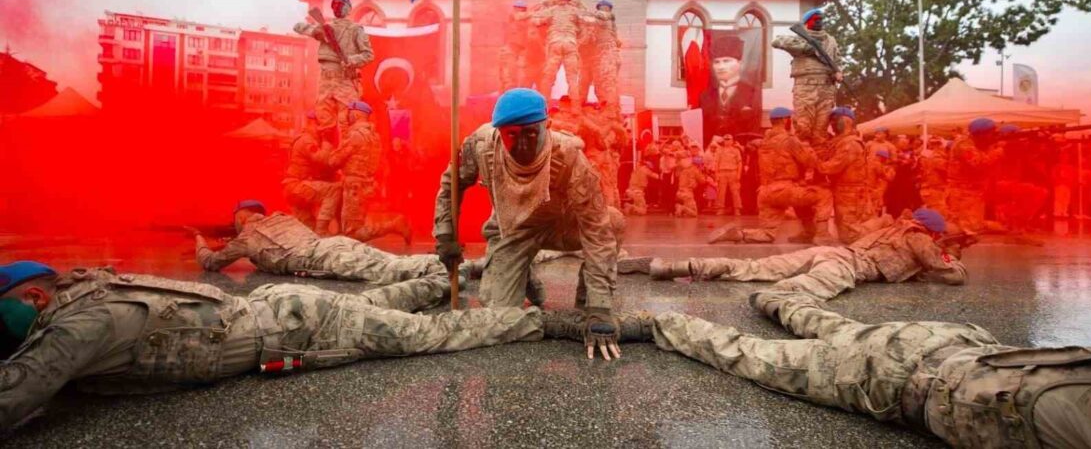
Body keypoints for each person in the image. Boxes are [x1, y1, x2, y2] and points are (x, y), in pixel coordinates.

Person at [0, 262, 654, 430]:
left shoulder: (75, 326)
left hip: (293, 325)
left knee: (429, 333)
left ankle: (549, 324)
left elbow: (17, 393)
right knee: (392, 303)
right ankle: (453, 273)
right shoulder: (90, 295)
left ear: (33, 298)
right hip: (281, 309)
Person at [651, 289, 1091, 449]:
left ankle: (776, 301)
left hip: (955, 341)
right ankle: (660, 322)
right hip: (892, 374)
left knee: (839, 328)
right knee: (751, 354)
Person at [432, 88, 625, 360]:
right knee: (498, 315)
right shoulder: (481, 145)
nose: (521, 144)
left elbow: (596, 230)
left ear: (546, 126)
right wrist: (445, 235)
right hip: (512, 232)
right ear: (500, 132)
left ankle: (584, 304)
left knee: (613, 221)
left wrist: (600, 308)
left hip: (560, 225)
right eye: (512, 135)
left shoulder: (569, 156)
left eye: (530, 134)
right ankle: (522, 271)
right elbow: (452, 184)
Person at [647, 208, 967, 300]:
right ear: (933, 231)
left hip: (832, 252)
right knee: (804, 292)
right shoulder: (920, 238)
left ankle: (680, 265)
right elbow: (951, 274)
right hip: (847, 265)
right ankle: (769, 304)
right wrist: (954, 256)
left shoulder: (894, 228)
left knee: (753, 266)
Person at [195, 201, 434, 290]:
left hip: (317, 257)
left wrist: (199, 238)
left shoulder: (247, 234)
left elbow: (210, 263)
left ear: (241, 217)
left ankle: (447, 272)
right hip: (334, 244)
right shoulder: (284, 217)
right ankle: (453, 265)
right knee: (394, 262)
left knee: (388, 272)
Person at [711, 107, 829, 244]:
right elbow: (809, 161)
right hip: (785, 189)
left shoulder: (764, 142)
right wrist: (815, 148)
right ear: (785, 120)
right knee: (824, 195)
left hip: (766, 192)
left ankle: (738, 234)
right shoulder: (789, 140)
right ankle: (822, 235)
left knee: (767, 234)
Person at [293, 0, 374, 136]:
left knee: (348, 122)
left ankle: (346, 153)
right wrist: (317, 31)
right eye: (335, 5)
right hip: (326, 80)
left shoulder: (356, 30)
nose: (338, 8)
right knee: (324, 121)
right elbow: (297, 27)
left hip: (345, 80)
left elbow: (368, 54)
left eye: (341, 4)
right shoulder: (325, 28)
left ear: (348, 8)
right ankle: (327, 152)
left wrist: (351, 59)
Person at [771, 8, 843, 146]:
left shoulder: (831, 41)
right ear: (807, 23)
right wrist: (807, 48)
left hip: (827, 87)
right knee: (803, 128)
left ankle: (816, 161)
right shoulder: (800, 38)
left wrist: (839, 72)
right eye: (816, 20)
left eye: (821, 19)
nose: (820, 22)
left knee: (821, 130)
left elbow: (837, 61)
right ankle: (803, 159)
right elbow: (776, 41)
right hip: (805, 88)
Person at [330, 101, 384, 237]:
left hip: (354, 185)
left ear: (356, 115)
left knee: (351, 231)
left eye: (350, 113)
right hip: (366, 183)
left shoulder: (355, 135)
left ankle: (393, 226)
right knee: (356, 225)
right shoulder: (373, 135)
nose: (348, 117)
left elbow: (335, 160)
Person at [817, 107, 869, 244]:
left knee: (850, 235)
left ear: (846, 121)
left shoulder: (850, 143)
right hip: (842, 190)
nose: (832, 125)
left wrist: (813, 162)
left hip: (850, 193)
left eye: (835, 120)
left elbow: (833, 167)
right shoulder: (839, 141)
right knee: (844, 232)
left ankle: (883, 225)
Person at [282, 111, 340, 234]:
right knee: (334, 190)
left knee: (308, 232)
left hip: (295, 189)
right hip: (297, 187)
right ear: (313, 123)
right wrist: (326, 141)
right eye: (321, 127)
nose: (322, 131)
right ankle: (322, 231)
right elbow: (323, 159)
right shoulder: (307, 140)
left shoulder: (303, 139)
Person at [699, 32, 760, 144]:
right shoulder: (705, 96)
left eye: (727, 61)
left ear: (740, 64)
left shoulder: (751, 93)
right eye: (717, 62)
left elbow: (753, 129)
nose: (721, 67)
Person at [946, 118, 1004, 232]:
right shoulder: (963, 144)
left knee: (973, 228)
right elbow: (979, 163)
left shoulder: (978, 144)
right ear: (981, 134)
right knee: (966, 228)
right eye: (991, 134)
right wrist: (998, 151)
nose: (993, 137)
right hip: (962, 194)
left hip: (972, 193)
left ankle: (999, 227)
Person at [536, 0, 582, 104]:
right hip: (570, 43)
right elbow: (586, 23)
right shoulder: (575, 11)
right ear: (568, 0)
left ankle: (543, 105)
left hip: (555, 43)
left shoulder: (552, 10)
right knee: (572, 78)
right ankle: (576, 108)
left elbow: (537, 21)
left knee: (548, 76)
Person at [498, 0, 530, 92]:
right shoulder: (513, 17)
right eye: (521, 9)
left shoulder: (523, 23)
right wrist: (533, 11)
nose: (521, 12)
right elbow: (518, 16)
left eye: (523, 10)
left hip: (516, 51)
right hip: (509, 51)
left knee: (517, 78)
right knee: (509, 79)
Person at [714, 134, 744, 216]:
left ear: (732, 141)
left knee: (735, 192)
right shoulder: (719, 150)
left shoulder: (736, 150)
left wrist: (739, 174)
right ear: (723, 141)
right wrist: (716, 174)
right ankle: (720, 209)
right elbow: (716, 163)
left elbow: (740, 163)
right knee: (721, 192)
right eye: (726, 139)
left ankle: (737, 209)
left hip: (733, 172)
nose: (727, 141)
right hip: (722, 172)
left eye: (729, 139)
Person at [917, 136, 949, 212]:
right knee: (939, 214)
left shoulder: (924, 156)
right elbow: (949, 171)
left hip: (927, 190)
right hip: (935, 190)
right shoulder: (937, 157)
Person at [868, 149, 896, 216]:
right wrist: (891, 173)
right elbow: (884, 176)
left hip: (867, 186)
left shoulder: (869, 161)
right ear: (880, 157)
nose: (885, 160)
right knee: (875, 207)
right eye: (884, 158)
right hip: (873, 188)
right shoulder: (877, 164)